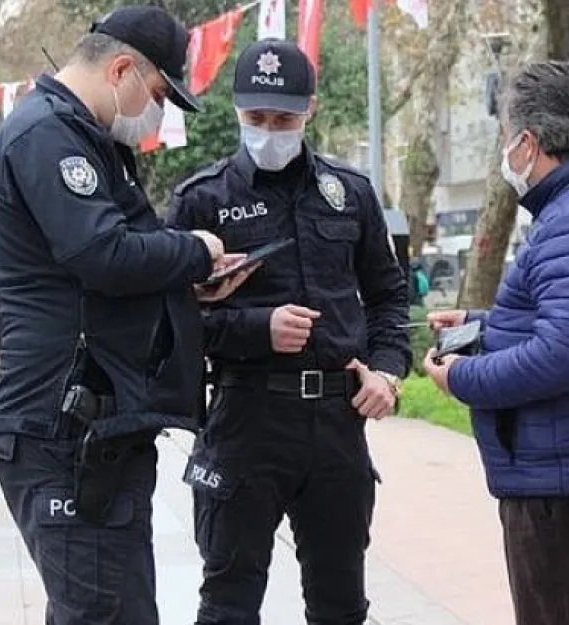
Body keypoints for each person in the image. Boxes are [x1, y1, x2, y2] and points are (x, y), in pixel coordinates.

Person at [0, 6, 251, 625]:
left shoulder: (82, 137)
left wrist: (184, 290)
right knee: (102, 614)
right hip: (63, 430)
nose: (157, 116)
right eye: (158, 95)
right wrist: (197, 251)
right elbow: (102, 254)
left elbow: (97, 275)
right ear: (122, 68)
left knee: (112, 609)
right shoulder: (47, 135)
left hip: (97, 428)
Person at [167, 39, 411, 625]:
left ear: (311, 111)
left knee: (341, 603)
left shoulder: (349, 194)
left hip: (335, 423)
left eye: (283, 119)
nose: (269, 130)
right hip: (246, 419)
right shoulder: (202, 200)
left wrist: (387, 372)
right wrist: (256, 328)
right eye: (256, 118)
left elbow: (388, 297)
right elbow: (172, 323)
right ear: (236, 111)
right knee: (229, 601)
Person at [421, 61, 569, 625]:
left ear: (528, 143)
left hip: (567, 485)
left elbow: (562, 356)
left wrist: (460, 376)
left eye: (505, 138)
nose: (504, 152)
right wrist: (482, 324)